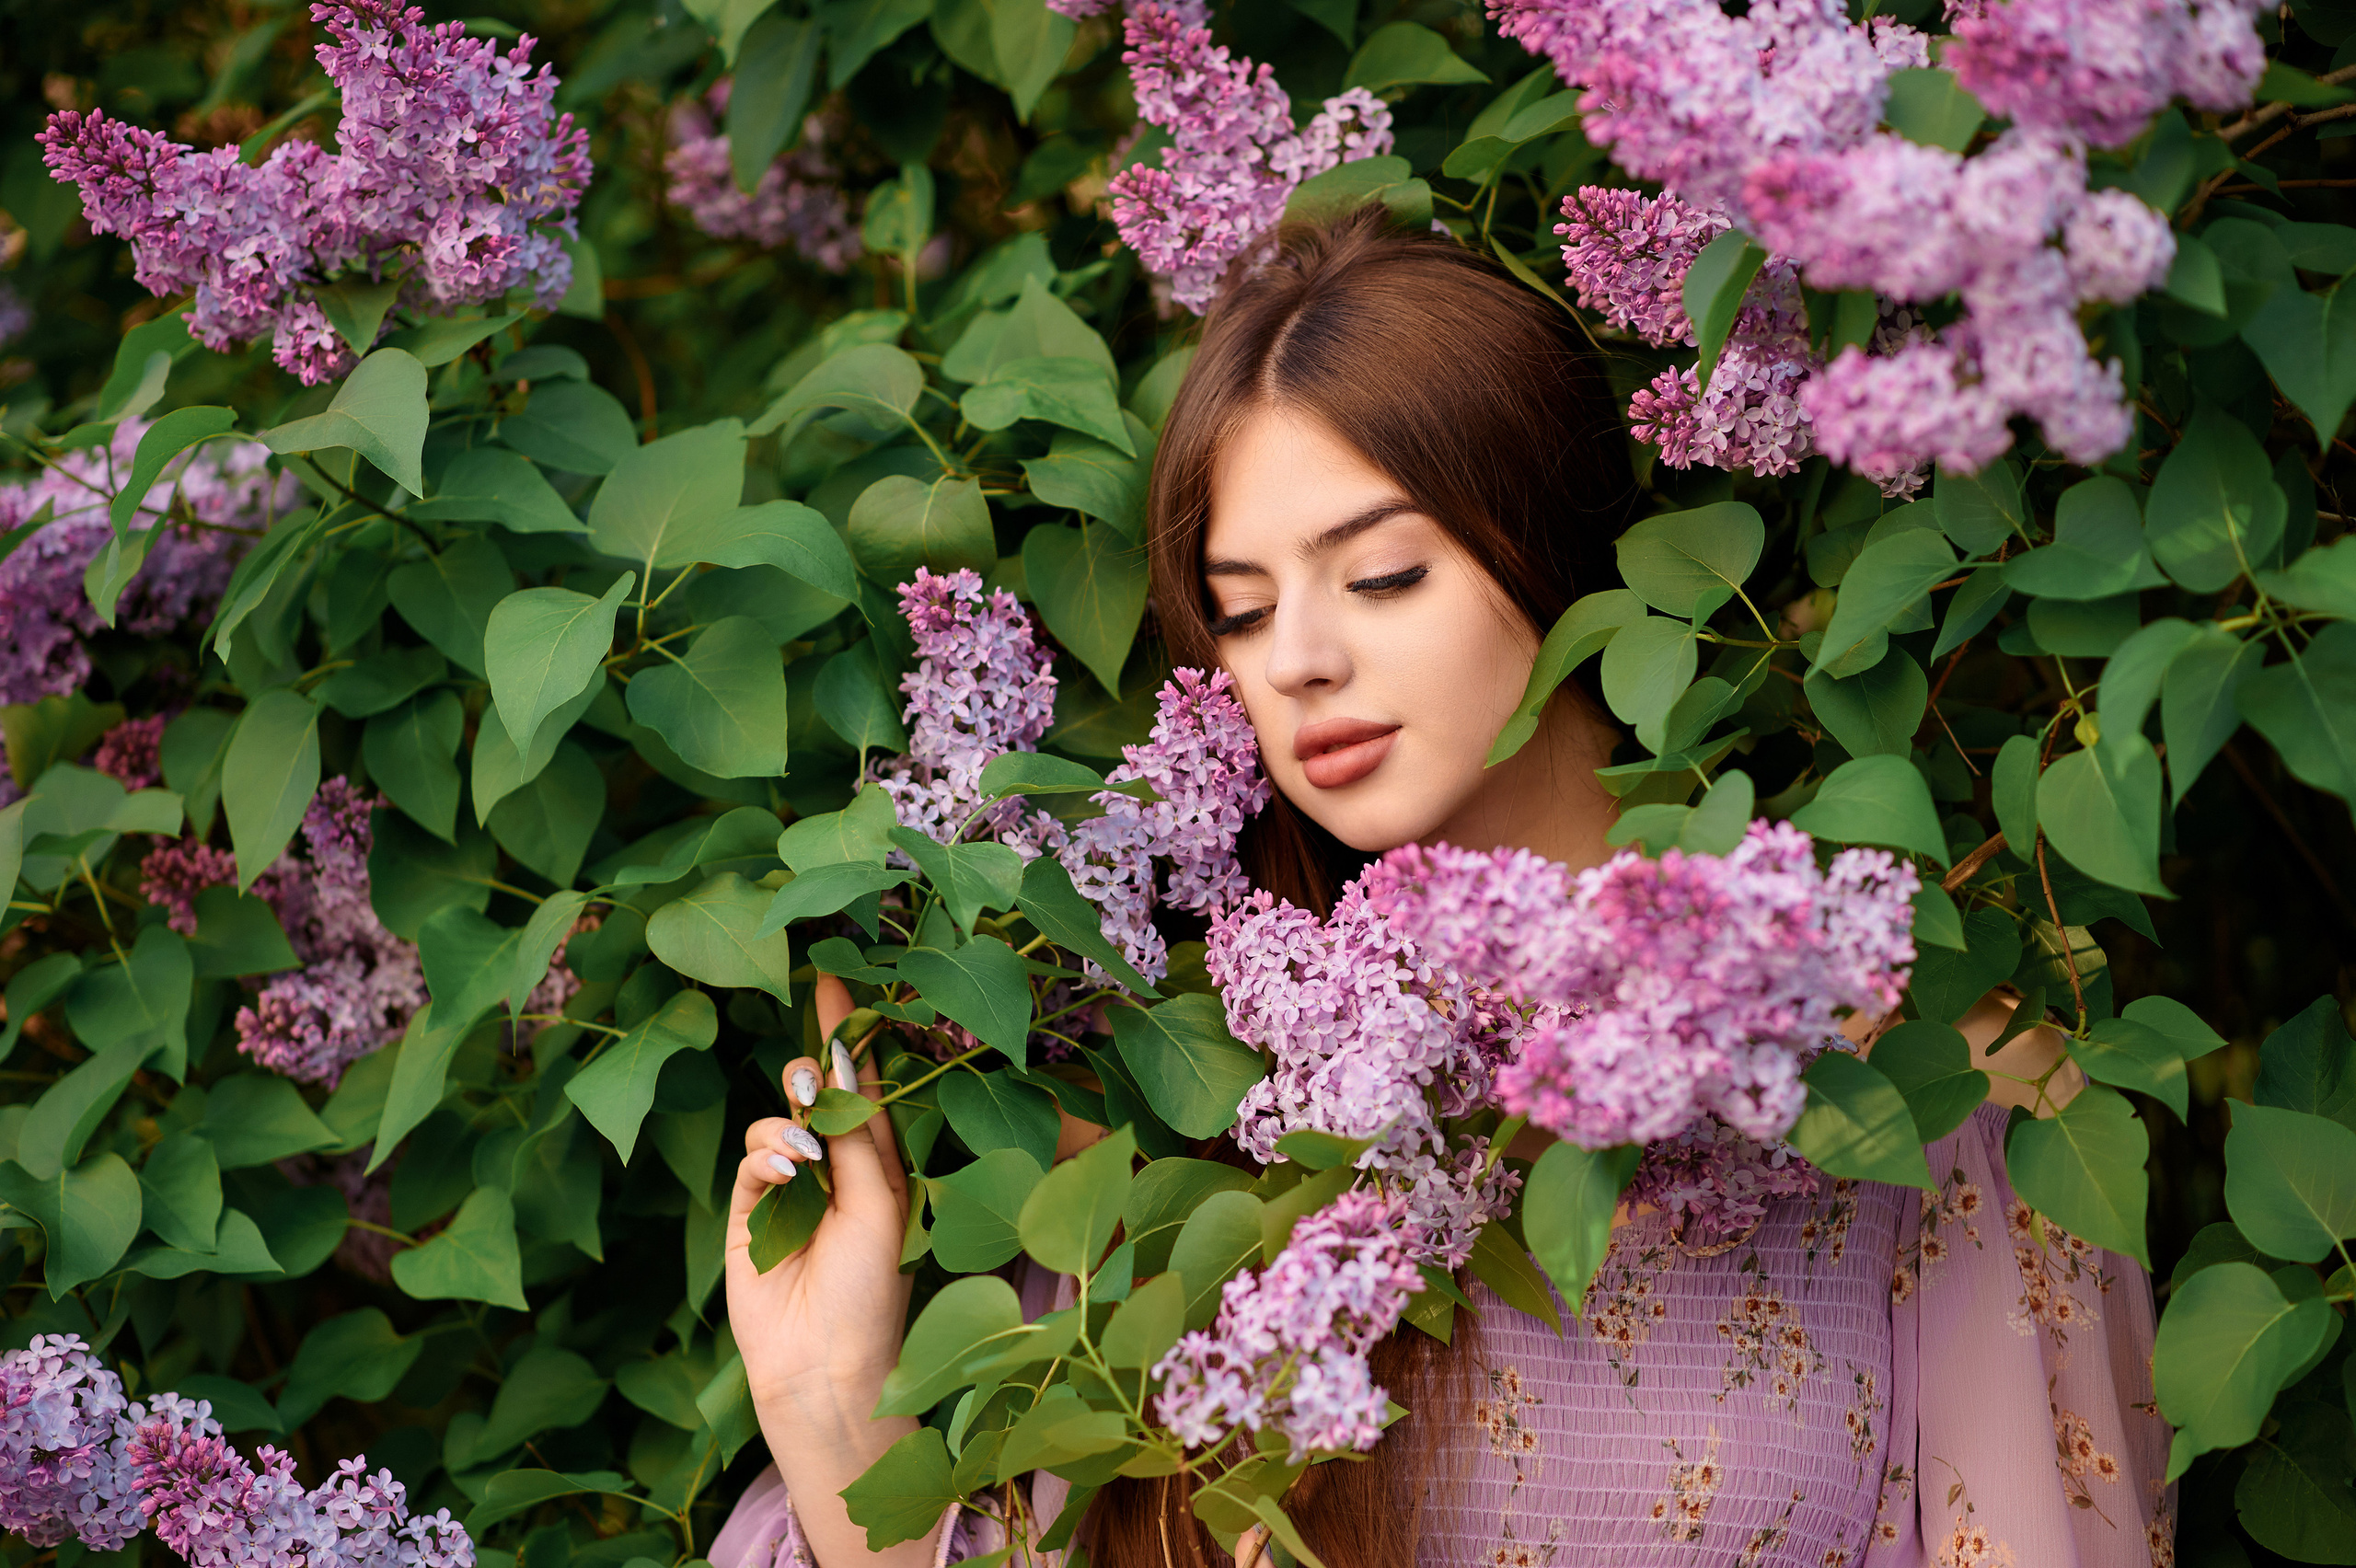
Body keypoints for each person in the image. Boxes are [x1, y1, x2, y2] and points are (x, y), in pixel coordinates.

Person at [712, 207, 2172, 1567]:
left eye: (1382, 575)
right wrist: (839, 1409)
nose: (1296, 660)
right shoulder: (1189, 1106)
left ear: (1550, 545)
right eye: (1240, 609)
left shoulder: (1932, 1088)